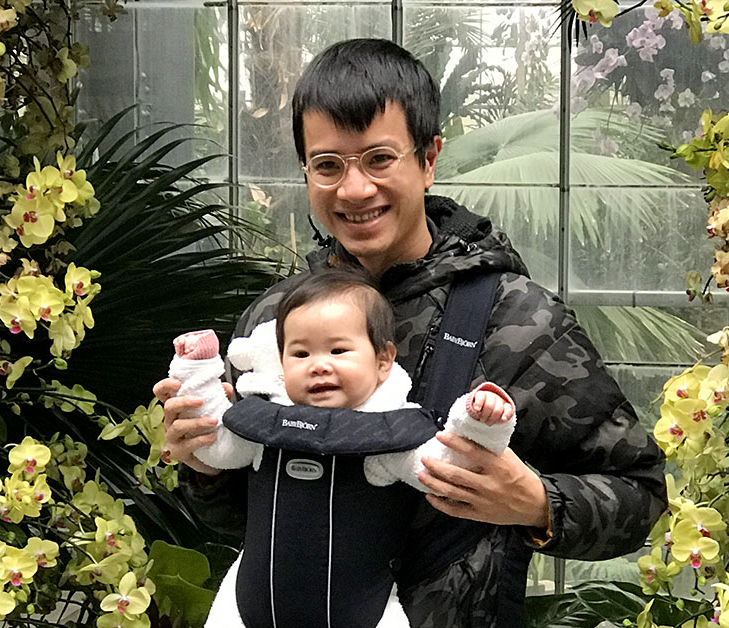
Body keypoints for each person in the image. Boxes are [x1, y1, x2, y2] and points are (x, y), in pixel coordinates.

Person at [154, 38, 667, 627]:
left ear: (428, 158)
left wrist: (535, 503)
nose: (354, 190)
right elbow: (236, 514)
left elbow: (641, 495)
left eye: (379, 159)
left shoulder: (518, 320)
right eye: (328, 165)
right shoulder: (276, 320)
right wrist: (203, 462)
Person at [168, 269, 516, 628]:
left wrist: (477, 424)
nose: (319, 365)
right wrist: (196, 371)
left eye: (338, 350)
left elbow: (445, 471)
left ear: (383, 361)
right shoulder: (266, 422)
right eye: (300, 353)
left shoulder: (387, 435)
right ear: (281, 362)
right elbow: (214, 447)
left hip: (365, 614)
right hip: (245, 607)